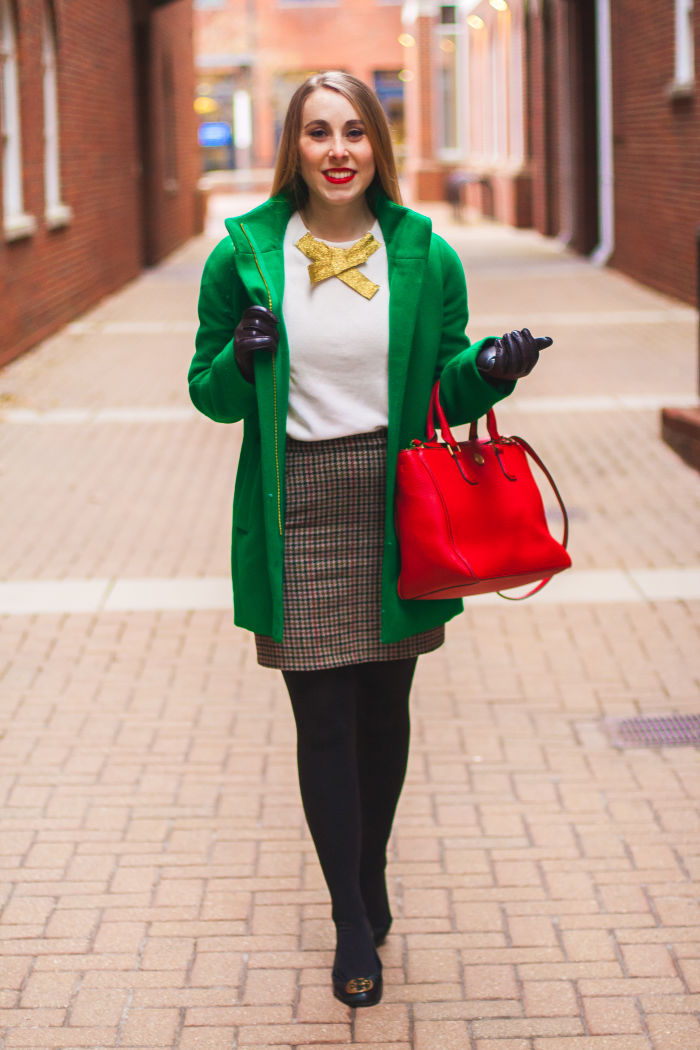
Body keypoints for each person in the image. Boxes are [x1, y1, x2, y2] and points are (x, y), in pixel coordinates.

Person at [189, 71, 552, 1008]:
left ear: (377, 145)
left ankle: (372, 865)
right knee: (325, 719)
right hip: (296, 502)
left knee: (386, 710)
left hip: (401, 501)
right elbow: (209, 392)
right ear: (294, 148)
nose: (338, 149)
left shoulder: (427, 256)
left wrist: (493, 371)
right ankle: (350, 912)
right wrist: (243, 355)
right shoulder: (242, 257)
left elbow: (445, 387)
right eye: (318, 133)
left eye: (354, 131)